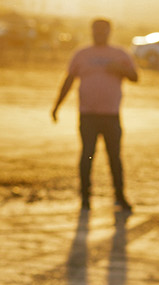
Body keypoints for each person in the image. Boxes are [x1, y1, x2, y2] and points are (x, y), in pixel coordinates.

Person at [52, 18, 138, 212]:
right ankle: (85, 198)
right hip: (88, 115)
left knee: (114, 157)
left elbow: (135, 77)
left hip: (111, 116)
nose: (100, 33)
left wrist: (121, 69)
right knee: (87, 155)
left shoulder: (120, 54)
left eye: (103, 30)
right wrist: (57, 106)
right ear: (91, 31)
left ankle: (120, 197)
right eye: (96, 30)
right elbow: (69, 80)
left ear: (110, 32)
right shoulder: (82, 54)